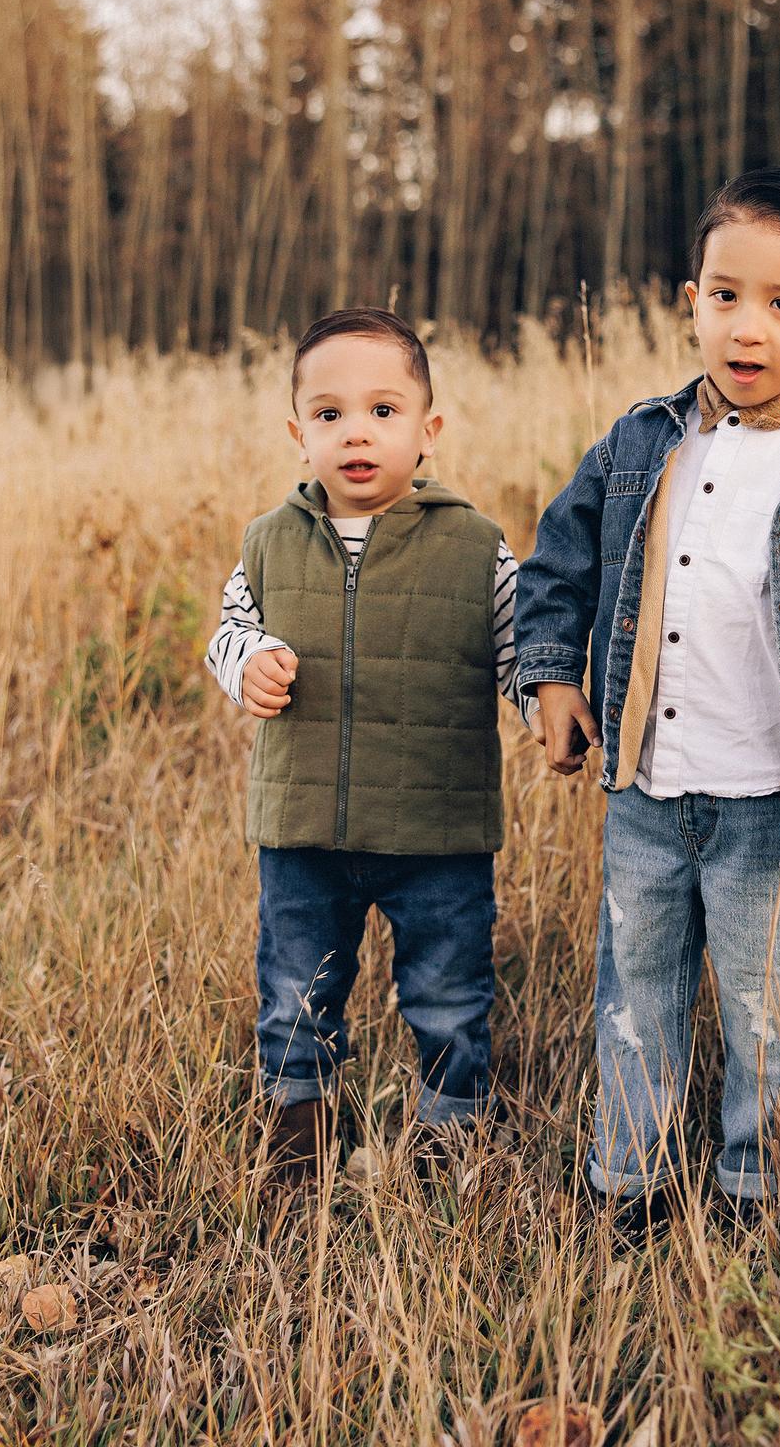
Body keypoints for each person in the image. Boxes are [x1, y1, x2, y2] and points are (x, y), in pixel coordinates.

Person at [515, 167, 780, 1227]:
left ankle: (754, 1189)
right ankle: (630, 1180)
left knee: (767, 1007)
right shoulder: (640, 446)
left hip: (771, 810)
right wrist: (552, 675)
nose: (748, 327)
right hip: (648, 794)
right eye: (724, 296)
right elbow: (558, 561)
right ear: (688, 301)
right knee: (635, 988)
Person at [206, 307, 525, 1180]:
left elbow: (522, 648)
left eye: (384, 412)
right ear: (297, 432)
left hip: (439, 835)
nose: (357, 432)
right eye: (330, 413)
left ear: (428, 431)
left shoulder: (475, 546)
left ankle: (449, 1139)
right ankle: (297, 1141)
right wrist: (250, 661)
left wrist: (547, 706)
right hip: (303, 830)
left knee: (449, 994)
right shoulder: (268, 544)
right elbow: (225, 634)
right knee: (296, 993)